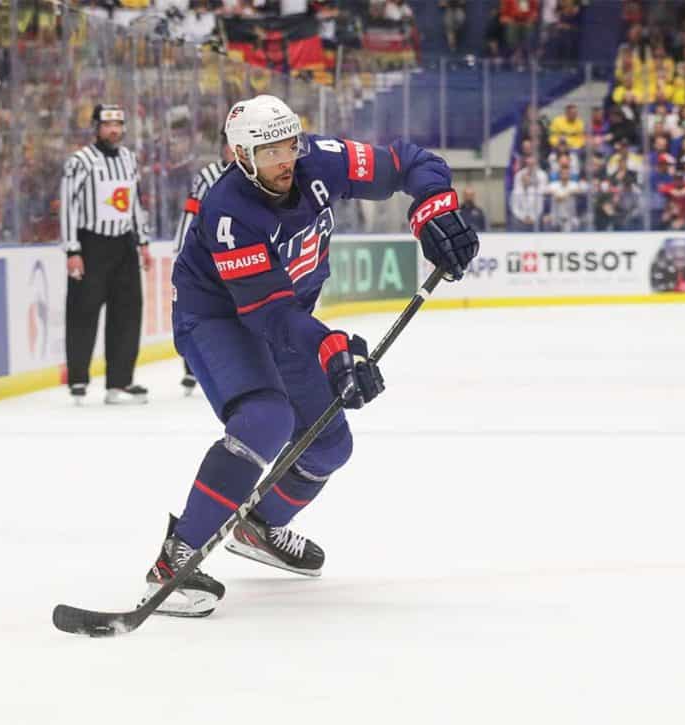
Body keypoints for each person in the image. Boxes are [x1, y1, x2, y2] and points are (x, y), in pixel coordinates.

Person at [144, 94, 479, 617]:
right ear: (240, 157)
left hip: (286, 317)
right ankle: (175, 557)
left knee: (327, 446)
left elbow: (413, 164)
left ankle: (259, 527)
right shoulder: (228, 209)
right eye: (269, 150)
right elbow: (269, 316)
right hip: (220, 320)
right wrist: (331, 347)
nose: (285, 159)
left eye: (288, 144)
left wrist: (433, 209)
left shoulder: (319, 159)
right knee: (265, 418)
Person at [59, 103, 153, 405]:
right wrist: (72, 249)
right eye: (107, 125)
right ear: (96, 128)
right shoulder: (81, 161)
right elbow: (68, 205)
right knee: (83, 311)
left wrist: (143, 242)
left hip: (123, 243)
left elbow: (134, 202)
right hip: (91, 244)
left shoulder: (128, 158)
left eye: (118, 125)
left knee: (128, 313)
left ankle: (120, 382)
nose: (114, 130)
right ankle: (78, 379)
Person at [173, 131, 235, 396]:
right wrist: (180, 251)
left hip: (239, 258)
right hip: (205, 258)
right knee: (198, 309)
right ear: (222, 148)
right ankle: (191, 368)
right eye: (229, 146)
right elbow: (190, 212)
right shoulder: (208, 176)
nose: (233, 152)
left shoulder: (258, 178)